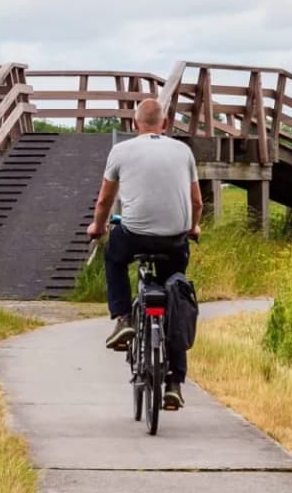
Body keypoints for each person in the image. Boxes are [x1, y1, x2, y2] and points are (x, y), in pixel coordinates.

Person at [86, 98, 202, 411]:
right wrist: (193, 228)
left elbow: (104, 200)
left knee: (114, 258)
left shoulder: (121, 151)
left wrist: (97, 228)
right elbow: (197, 202)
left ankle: (123, 317)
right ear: (164, 124)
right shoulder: (183, 151)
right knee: (174, 297)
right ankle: (175, 383)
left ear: (135, 125)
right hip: (174, 241)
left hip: (134, 235)